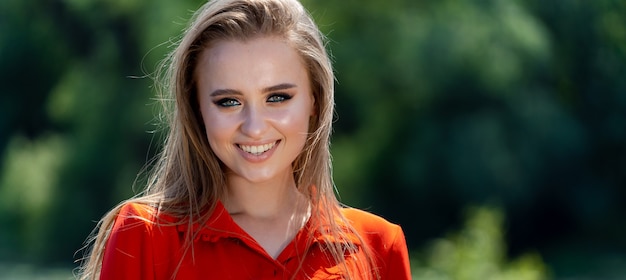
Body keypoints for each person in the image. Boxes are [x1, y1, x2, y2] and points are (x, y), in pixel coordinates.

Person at [77, 0, 411, 279]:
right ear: (197, 109)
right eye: (228, 102)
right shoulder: (145, 236)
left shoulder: (378, 246)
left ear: (315, 100)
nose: (253, 127)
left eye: (278, 97)